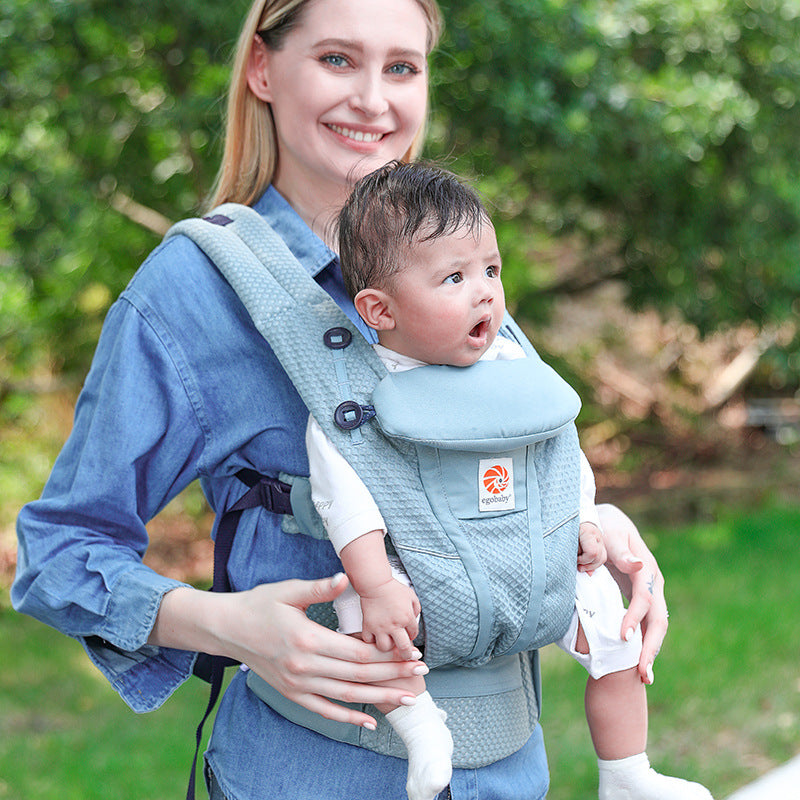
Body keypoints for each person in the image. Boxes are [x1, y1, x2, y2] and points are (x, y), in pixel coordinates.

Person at [11, 1, 671, 798]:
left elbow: (523, 479)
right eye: (336, 59)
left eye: (402, 67)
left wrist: (617, 550)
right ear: (262, 68)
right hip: (304, 775)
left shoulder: (457, 269)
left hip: (508, 774)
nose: (373, 99)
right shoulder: (194, 290)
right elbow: (60, 552)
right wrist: (226, 626)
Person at [305, 160, 713, 800]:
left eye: (491, 270)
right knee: (365, 623)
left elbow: (560, 452)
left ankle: (627, 771)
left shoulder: (514, 368)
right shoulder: (358, 397)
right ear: (378, 309)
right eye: (455, 277)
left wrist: (581, 518)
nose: (486, 292)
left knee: (614, 623)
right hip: (421, 568)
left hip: (529, 548)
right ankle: (420, 724)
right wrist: (376, 582)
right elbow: (344, 499)